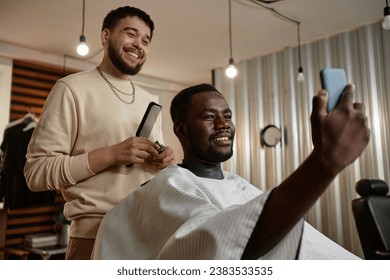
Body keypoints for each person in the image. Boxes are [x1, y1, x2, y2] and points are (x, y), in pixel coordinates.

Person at [92, 83, 370, 260]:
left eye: (228, 115)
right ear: (180, 130)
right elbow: (224, 245)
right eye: (209, 117)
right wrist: (323, 162)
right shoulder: (171, 186)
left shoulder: (241, 186)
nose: (224, 123)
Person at [23, 6, 175, 260]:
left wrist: (162, 162)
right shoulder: (70, 88)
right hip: (92, 237)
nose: (139, 44)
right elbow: (36, 173)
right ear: (105, 36)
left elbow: (142, 176)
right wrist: (113, 154)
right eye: (131, 34)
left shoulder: (150, 100)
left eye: (146, 40)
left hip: (146, 233)